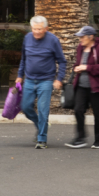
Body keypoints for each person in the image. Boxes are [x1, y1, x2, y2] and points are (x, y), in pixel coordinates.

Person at [17, 15, 66, 149]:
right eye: (34, 29)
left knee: (43, 110)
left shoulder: (53, 40)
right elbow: (24, 58)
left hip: (46, 80)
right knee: (26, 107)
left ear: (46, 28)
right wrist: (20, 75)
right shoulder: (27, 38)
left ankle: (42, 139)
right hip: (29, 79)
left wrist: (59, 79)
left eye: (39, 29)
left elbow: (62, 61)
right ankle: (41, 125)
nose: (37, 32)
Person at [67, 26, 99, 150]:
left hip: (96, 87)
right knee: (78, 110)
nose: (80, 39)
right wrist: (76, 67)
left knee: (98, 114)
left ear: (91, 37)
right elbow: (78, 63)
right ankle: (80, 138)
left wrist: (87, 67)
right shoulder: (80, 48)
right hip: (81, 86)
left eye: (82, 37)